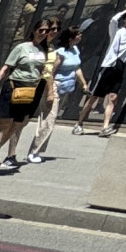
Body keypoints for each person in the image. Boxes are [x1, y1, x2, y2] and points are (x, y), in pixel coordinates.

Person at [0, 18, 54, 172]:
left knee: (16, 125)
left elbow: (42, 72)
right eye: (40, 30)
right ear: (34, 30)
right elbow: (4, 69)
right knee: (5, 124)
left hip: (29, 91)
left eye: (46, 31)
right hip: (14, 86)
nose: (43, 33)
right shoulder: (22, 48)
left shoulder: (43, 51)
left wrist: (46, 90)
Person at [78, 8, 126, 135]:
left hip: (120, 66)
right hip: (109, 66)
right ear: (125, 19)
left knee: (112, 97)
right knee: (94, 97)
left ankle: (105, 127)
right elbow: (114, 20)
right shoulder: (117, 31)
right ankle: (79, 123)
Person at [28, 26, 85, 162]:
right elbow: (50, 73)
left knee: (51, 120)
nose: (81, 36)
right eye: (78, 34)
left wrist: (84, 84)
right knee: (49, 120)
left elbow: (76, 68)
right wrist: (50, 93)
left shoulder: (75, 50)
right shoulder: (60, 53)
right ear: (71, 38)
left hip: (66, 88)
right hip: (54, 87)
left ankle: (37, 151)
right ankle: (33, 152)